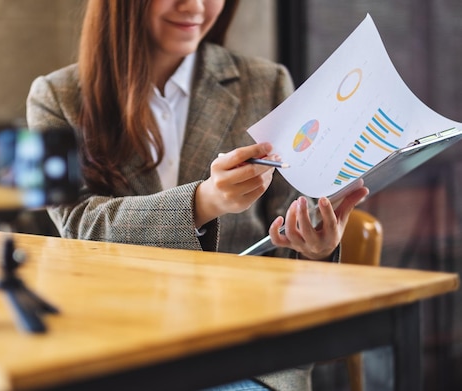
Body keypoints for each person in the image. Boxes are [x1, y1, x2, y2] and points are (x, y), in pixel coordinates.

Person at [27, 0, 369, 390]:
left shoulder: (265, 82)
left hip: (246, 351)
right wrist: (203, 203)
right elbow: (79, 225)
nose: (195, 6)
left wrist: (316, 249)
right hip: (117, 344)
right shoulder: (58, 98)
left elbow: (291, 243)